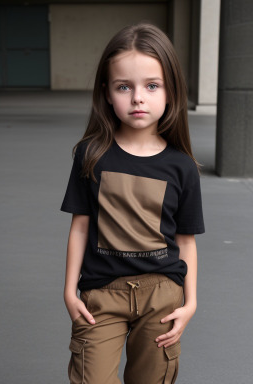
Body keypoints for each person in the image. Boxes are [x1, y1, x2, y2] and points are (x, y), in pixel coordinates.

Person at [60, 22, 205, 384]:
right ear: (107, 93)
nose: (138, 97)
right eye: (124, 86)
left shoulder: (182, 166)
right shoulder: (91, 156)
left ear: (170, 92)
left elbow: (186, 241)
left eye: (151, 86)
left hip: (162, 294)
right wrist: (68, 289)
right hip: (101, 297)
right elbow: (80, 225)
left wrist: (190, 302)